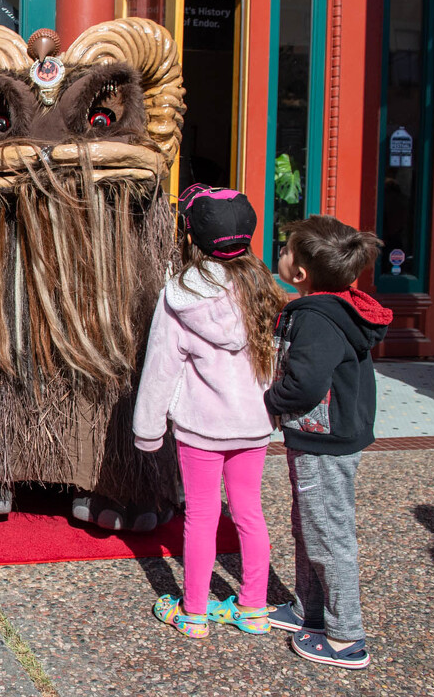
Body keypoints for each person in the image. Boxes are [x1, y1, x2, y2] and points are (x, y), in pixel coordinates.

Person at [133, 184, 286, 638]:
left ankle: (194, 612)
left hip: (201, 427)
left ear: (193, 236)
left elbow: (161, 365)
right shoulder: (265, 288)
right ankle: (254, 607)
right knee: (249, 513)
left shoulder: (180, 294)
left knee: (201, 516)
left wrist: (148, 428)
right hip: (254, 424)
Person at [265, 215, 391, 669]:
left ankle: (345, 637)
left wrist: (268, 400)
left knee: (327, 536)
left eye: (285, 248)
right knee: (309, 527)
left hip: (324, 443)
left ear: (299, 272)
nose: (280, 253)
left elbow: (305, 383)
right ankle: (309, 610)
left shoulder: (316, 318)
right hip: (324, 437)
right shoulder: (334, 307)